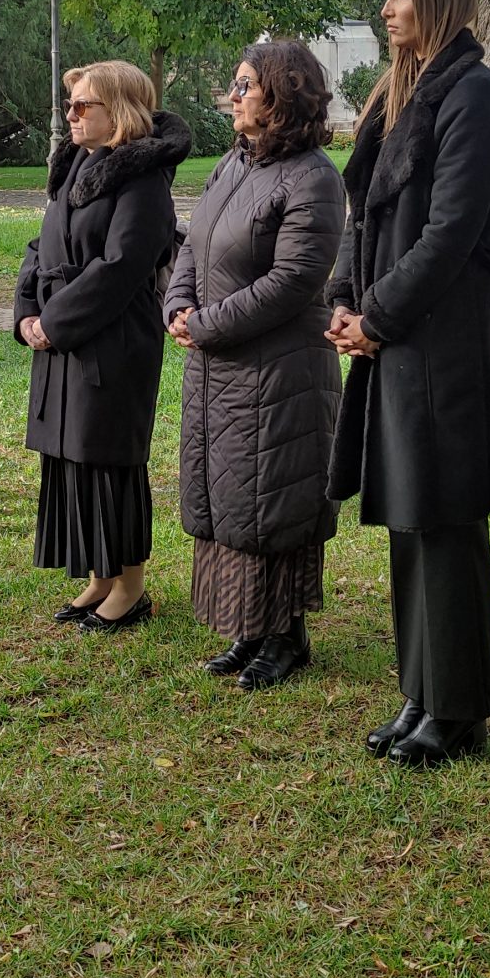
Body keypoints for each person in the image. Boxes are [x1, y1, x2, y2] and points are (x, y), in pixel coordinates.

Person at [327, 0, 490, 768]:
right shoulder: (397, 92)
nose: (388, 8)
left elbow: (454, 233)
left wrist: (380, 315)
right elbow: (362, 214)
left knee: (444, 520)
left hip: (442, 339)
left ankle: (459, 709)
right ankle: (422, 689)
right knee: (409, 514)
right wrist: (345, 300)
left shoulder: (472, 93)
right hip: (394, 337)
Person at [167, 41, 346, 689]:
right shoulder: (232, 164)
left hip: (279, 370)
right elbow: (193, 246)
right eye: (235, 84)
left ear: (284, 94)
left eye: (245, 85)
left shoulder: (313, 177)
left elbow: (294, 279)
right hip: (220, 368)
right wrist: (178, 304)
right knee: (231, 496)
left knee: (274, 500)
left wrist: (206, 324)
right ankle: (249, 626)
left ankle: (285, 635)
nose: (233, 95)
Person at [14, 62, 190, 632]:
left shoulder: (143, 178)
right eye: (69, 104)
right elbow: (40, 246)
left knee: (109, 457)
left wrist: (55, 321)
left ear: (121, 111)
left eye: (83, 105)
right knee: (72, 455)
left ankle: (130, 587)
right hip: (65, 333)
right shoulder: (76, 165)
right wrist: (27, 312)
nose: (70, 114)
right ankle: (99, 577)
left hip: (114, 338)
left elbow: (122, 267)